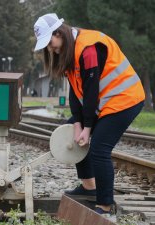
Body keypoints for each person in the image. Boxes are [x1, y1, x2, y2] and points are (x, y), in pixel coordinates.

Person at [33, 13, 145, 214]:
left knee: (99, 149)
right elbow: (76, 94)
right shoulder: (69, 51)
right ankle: (89, 188)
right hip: (106, 102)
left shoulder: (88, 48)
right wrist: (77, 125)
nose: (50, 48)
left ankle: (105, 204)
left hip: (126, 99)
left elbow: (91, 91)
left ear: (59, 32)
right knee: (73, 135)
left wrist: (87, 127)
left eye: (50, 42)